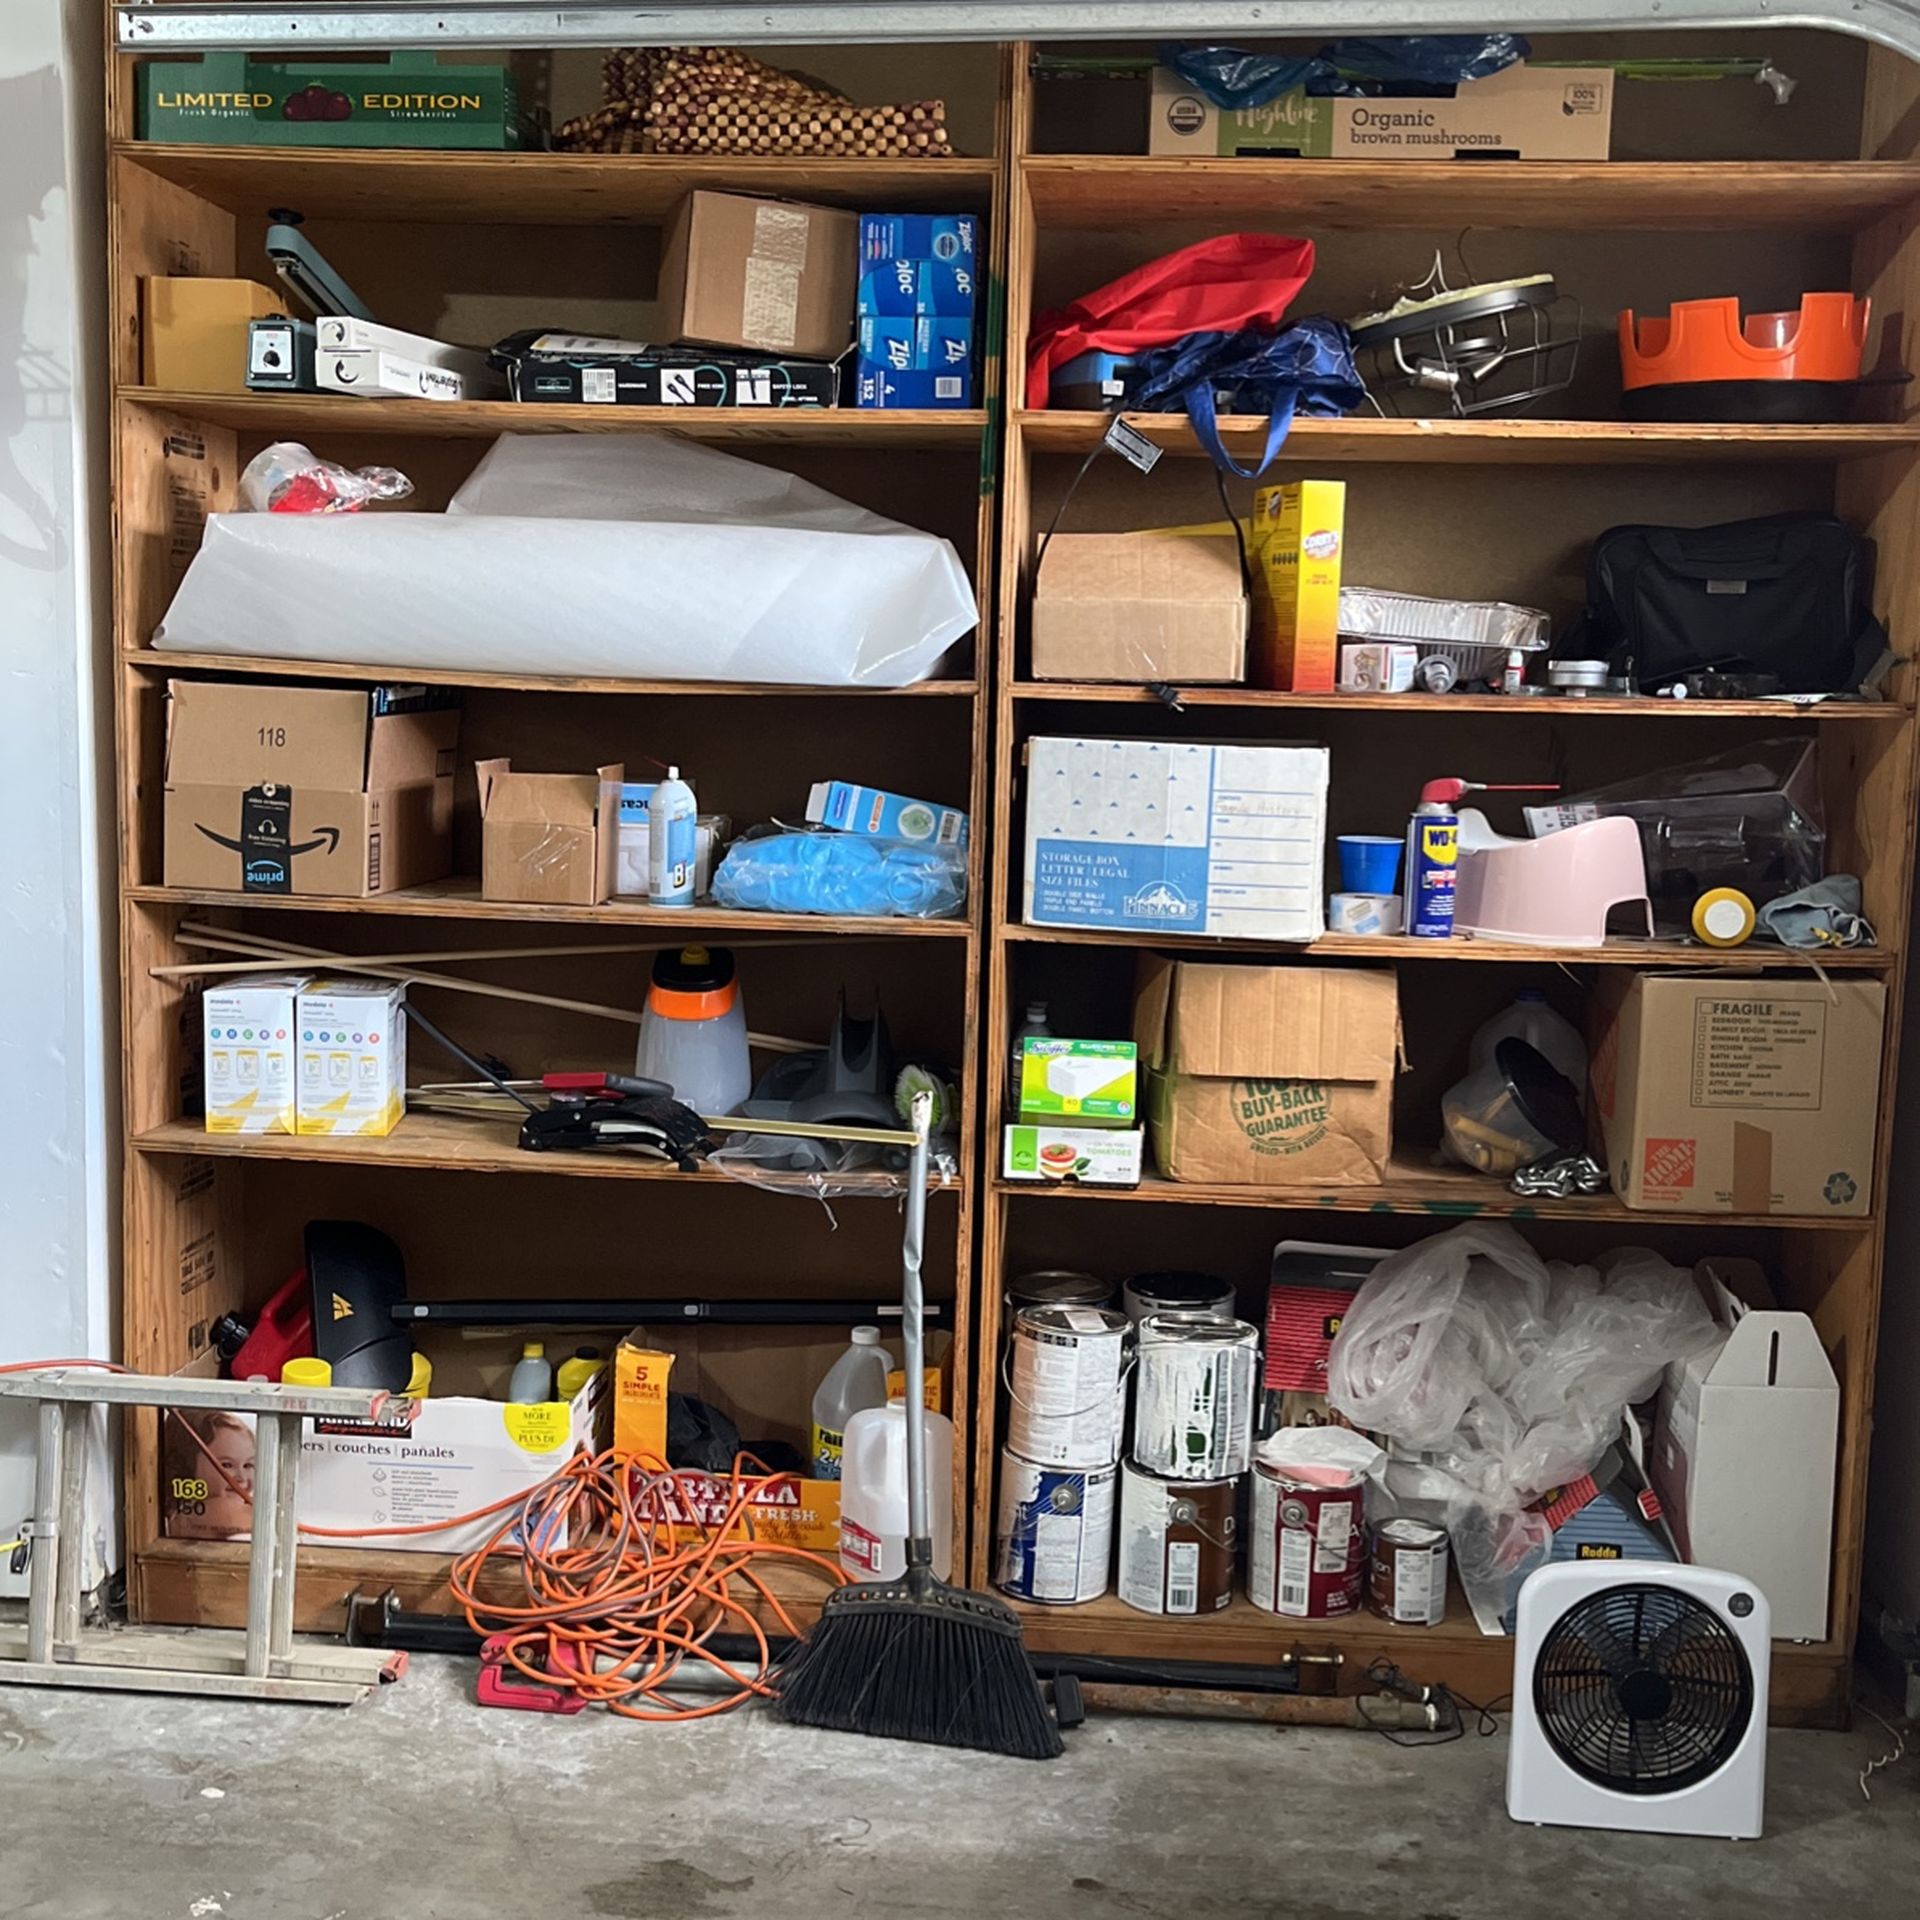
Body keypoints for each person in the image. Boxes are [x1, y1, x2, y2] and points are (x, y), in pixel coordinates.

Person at [162, 1411, 255, 1540]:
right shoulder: (217, 1509)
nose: (242, 1478)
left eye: (248, 1465)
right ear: (187, 1464)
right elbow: (276, 1523)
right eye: (227, 1465)